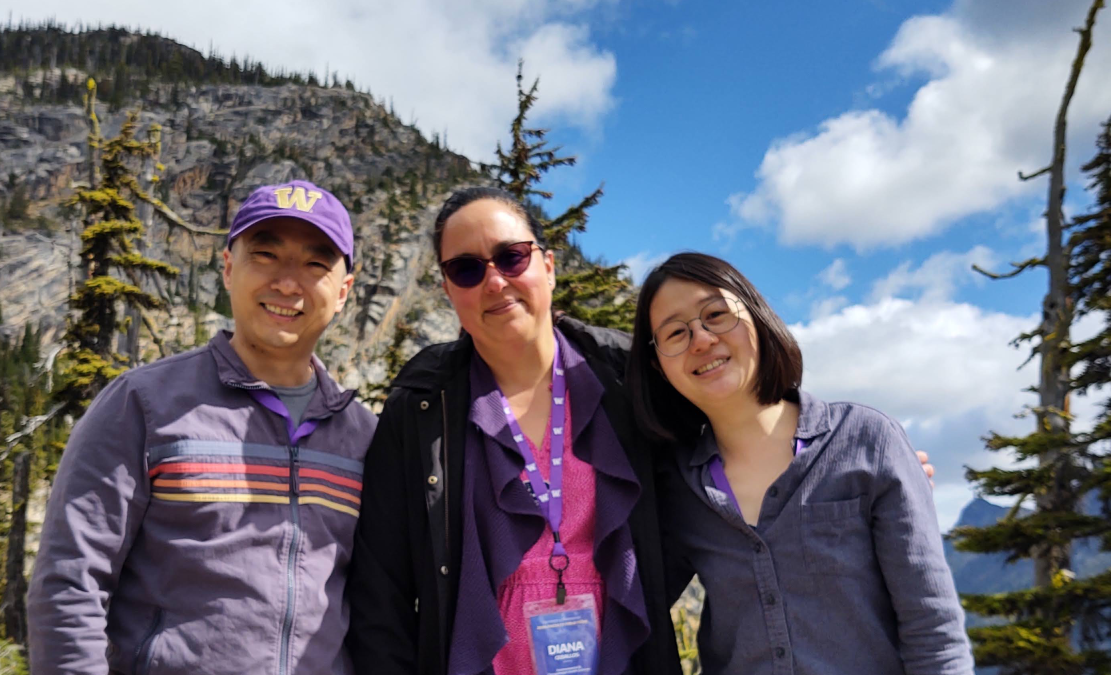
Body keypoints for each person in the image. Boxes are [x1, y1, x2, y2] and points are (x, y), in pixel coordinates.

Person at [27, 180, 377, 675]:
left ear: (342, 292)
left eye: (315, 264)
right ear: (228, 269)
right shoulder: (143, 404)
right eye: (265, 255)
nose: (287, 283)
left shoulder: (365, 438)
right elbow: (69, 584)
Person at [346, 187, 682, 675]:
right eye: (466, 269)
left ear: (547, 264)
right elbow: (381, 591)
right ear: (447, 288)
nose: (495, 282)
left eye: (511, 257)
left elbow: (695, 505)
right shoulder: (420, 407)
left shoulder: (628, 378)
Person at [625, 252, 973, 675]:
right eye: (675, 333)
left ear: (756, 316)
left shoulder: (867, 440)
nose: (701, 339)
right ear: (659, 368)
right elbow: (631, 598)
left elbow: (933, 631)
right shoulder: (678, 486)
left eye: (715, 314)